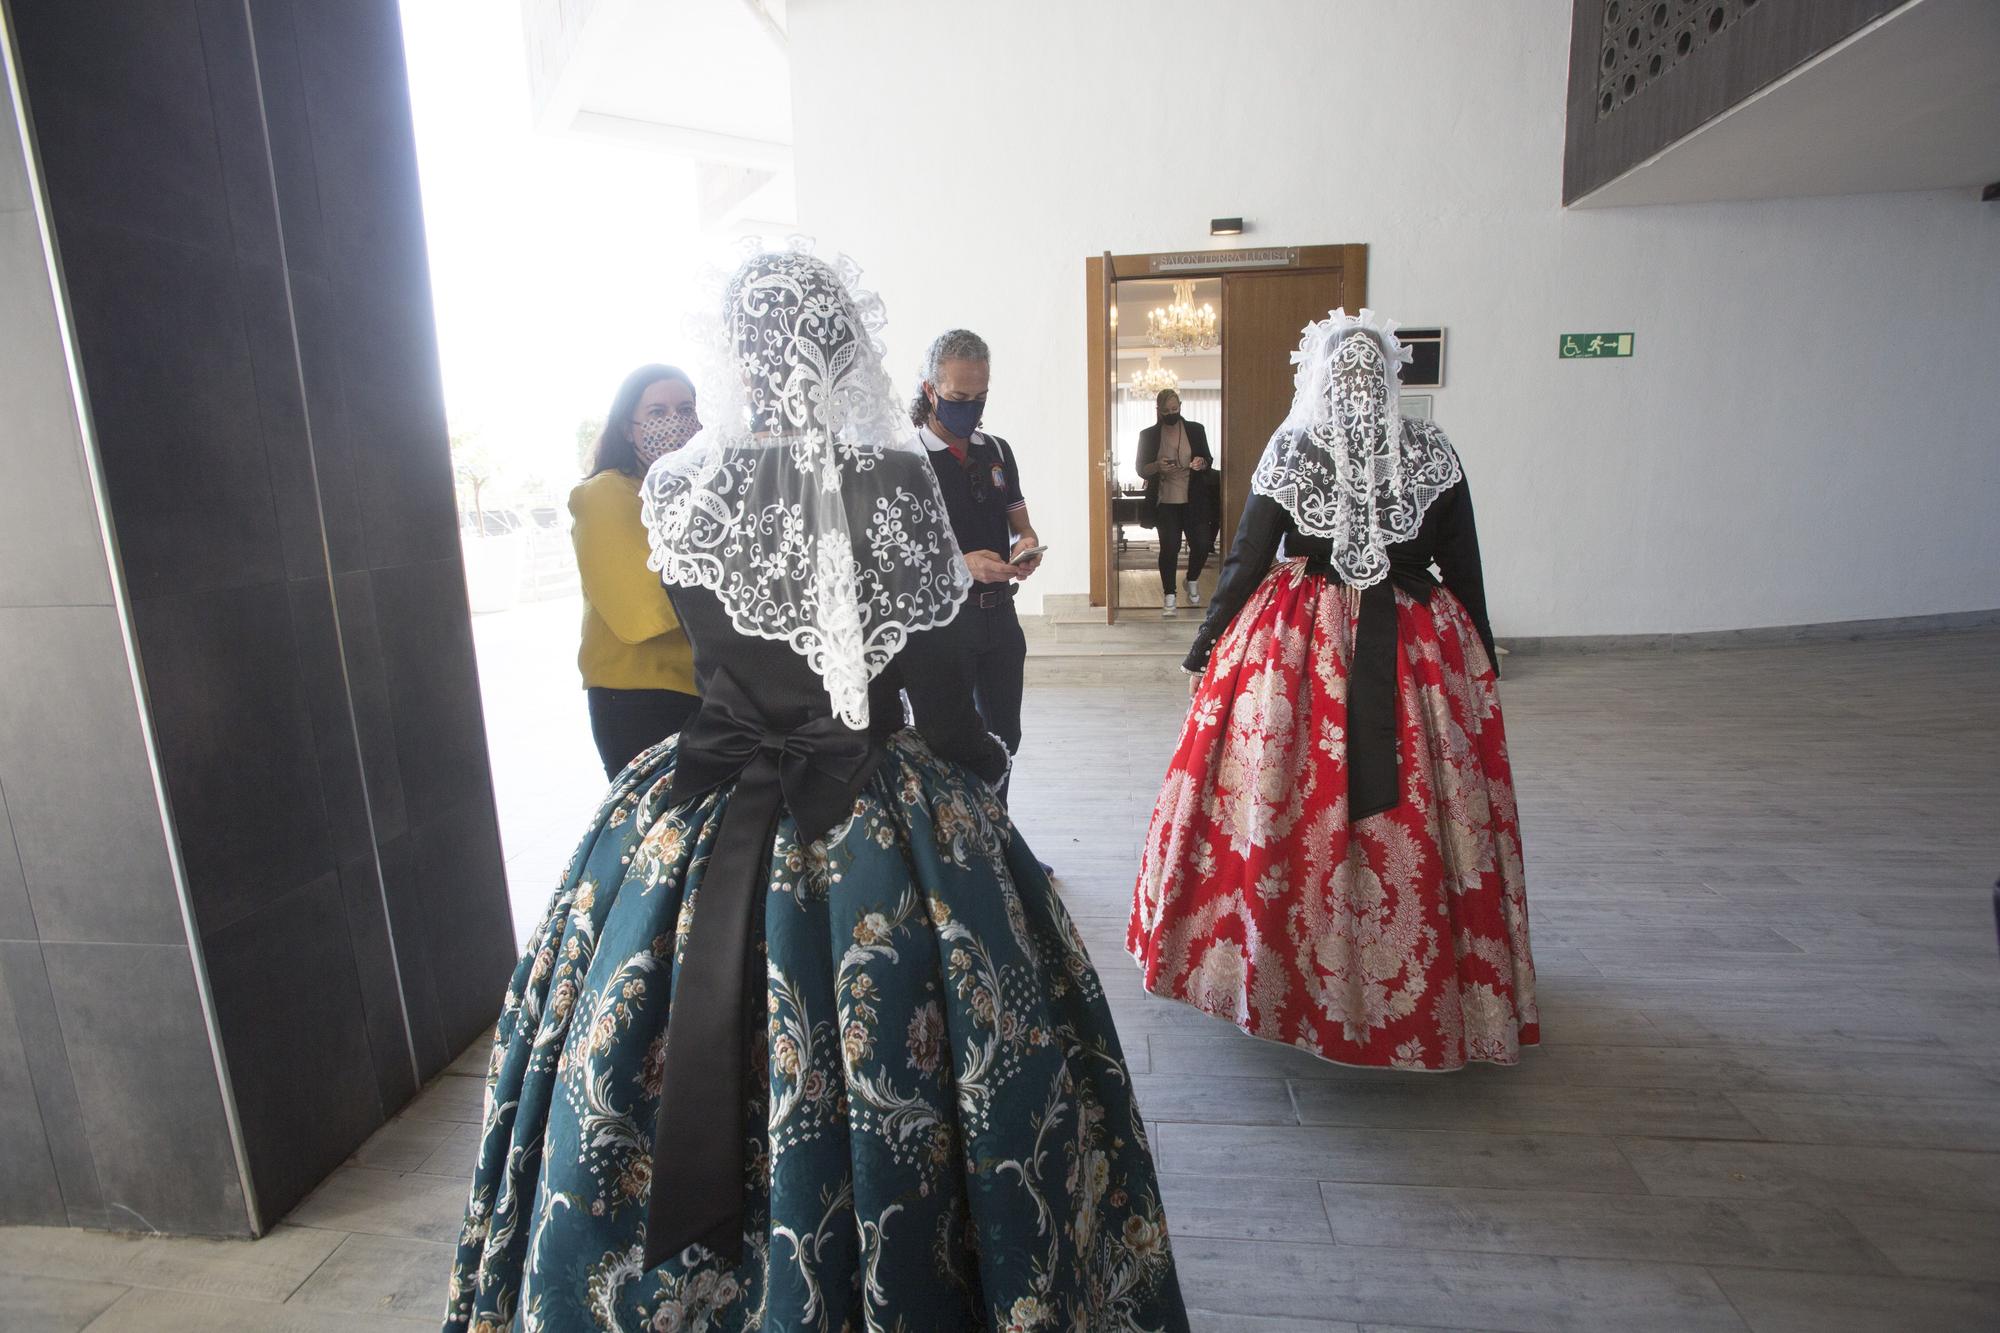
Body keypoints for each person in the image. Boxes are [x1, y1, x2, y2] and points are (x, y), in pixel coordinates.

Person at [442, 245, 1189, 1333]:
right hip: (874, 807)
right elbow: (935, 689)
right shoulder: (897, 480)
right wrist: (973, 781)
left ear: (735, 351)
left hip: (693, 812)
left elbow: (705, 650)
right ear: (850, 344)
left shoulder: (681, 484)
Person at [1128, 308, 1539, 1072]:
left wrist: (1205, 647)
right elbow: (1463, 560)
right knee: (1425, 804)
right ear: (1390, 375)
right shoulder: (1429, 448)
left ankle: (1281, 973)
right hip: (1416, 646)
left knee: (1285, 797)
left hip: (1300, 644)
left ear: (1316, 375)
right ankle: (1423, 988)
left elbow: (1249, 559)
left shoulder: (1298, 445)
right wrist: (1477, 649)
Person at [909, 328, 1042, 792]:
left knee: (1005, 739)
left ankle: (1002, 845)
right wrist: (962, 565)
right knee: (949, 742)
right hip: (944, 627)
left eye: (980, 396)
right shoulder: (907, 460)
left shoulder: (997, 451)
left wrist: (1026, 546)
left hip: (1000, 620)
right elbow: (895, 560)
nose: (971, 408)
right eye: (958, 396)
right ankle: (963, 852)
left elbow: (1021, 526)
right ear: (931, 390)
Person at [570, 365, 703, 778]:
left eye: (685, 409)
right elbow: (643, 612)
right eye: (657, 412)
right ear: (628, 428)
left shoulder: (692, 493)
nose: (674, 422)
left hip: (703, 692)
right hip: (640, 700)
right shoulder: (605, 493)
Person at [1135, 389, 1217, 617]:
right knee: (1170, 548)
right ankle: (1169, 594)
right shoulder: (1149, 435)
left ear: (1180, 405)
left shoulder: (1196, 429)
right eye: (1166, 411)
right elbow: (1140, 467)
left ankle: (1191, 579)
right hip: (1166, 501)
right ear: (1158, 411)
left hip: (1194, 500)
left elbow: (1208, 459)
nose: (1171, 413)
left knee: (1202, 544)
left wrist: (1202, 462)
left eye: (1175, 409)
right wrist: (1157, 467)